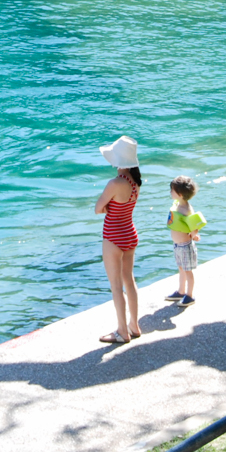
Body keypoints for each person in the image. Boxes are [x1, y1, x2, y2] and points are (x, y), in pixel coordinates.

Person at [94, 135, 142, 345]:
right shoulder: (135, 183)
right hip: (130, 234)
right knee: (129, 281)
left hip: (113, 236)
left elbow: (98, 208)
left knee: (116, 286)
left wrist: (105, 207)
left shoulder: (115, 183)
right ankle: (134, 325)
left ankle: (122, 332)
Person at [165, 175, 207, 308]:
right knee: (181, 268)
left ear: (181, 194)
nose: (170, 192)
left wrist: (195, 235)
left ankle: (189, 295)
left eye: (172, 190)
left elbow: (194, 226)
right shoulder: (177, 205)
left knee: (188, 270)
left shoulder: (187, 210)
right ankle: (181, 291)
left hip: (185, 246)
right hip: (177, 245)